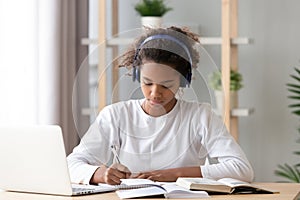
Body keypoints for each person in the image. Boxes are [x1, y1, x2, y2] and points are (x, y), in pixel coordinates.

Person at [67, 26, 254, 185]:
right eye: (147, 83)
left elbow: (242, 169)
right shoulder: (116, 115)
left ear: (183, 81)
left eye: (166, 85)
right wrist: (100, 174)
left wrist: (174, 174)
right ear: (136, 76)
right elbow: (71, 164)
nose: (155, 93)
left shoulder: (200, 116)